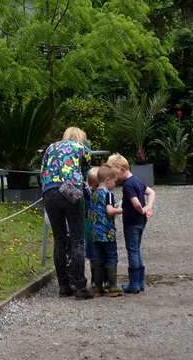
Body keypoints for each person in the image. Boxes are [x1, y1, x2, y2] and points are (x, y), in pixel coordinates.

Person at [41, 127, 93, 299]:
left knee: (59, 240)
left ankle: (63, 285)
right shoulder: (82, 149)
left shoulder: (50, 148)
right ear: (81, 138)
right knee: (77, 240)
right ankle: (80, 287)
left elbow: (43, 172)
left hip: (49, 193)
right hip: (71, 192)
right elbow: (85, 175)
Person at [106, 152, 155, 294]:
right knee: (137, 249)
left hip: (132, 221)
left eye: (116, 175)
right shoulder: (137, 180)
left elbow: (136, 203)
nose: (116, 179)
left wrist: (142, 210)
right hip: (141, 222)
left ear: (122, 169)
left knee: (132, 251)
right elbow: (151, 193)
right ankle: (140, 282)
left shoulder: (127, 184)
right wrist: (149, 207)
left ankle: (134, 283)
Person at [87, 164, 124, 296]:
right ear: (108, 180)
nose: (115, 184)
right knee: (112, 257)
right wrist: (121, 210)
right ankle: (113, 286)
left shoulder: (93, 193)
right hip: (107, 233)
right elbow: (109, 210)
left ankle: (98, 288)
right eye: (114, 181)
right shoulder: (108, 194)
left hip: (95, 233)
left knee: (99, 258)